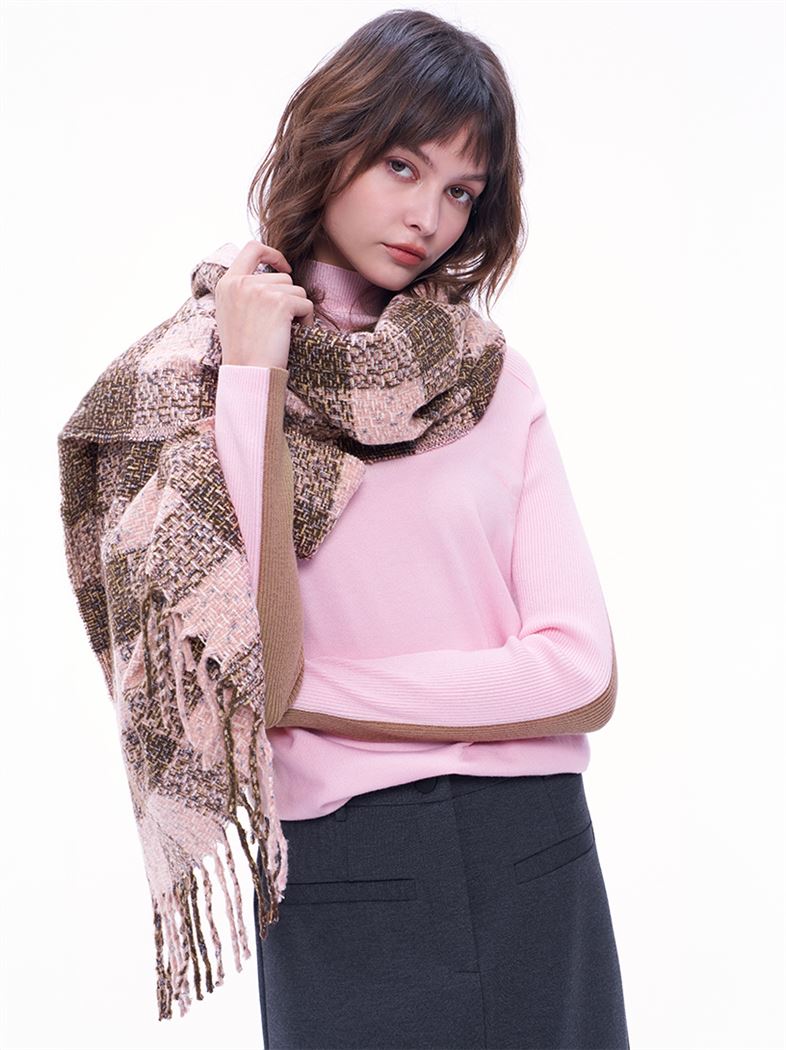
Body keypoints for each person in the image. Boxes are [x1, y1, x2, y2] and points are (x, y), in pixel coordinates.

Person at [209, 8, 630, 1049]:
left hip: (535, 855)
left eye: (460, 191)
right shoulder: (202, 379)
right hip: (339, 868)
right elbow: (253, 655)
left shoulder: (491, 379)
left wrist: (319, 698)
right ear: (333, 139)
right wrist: (252, 379)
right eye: (403, 166)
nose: (428, 217)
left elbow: (582, 674)